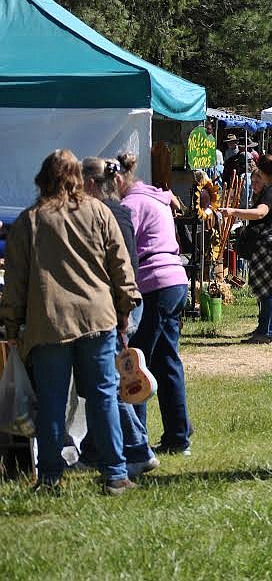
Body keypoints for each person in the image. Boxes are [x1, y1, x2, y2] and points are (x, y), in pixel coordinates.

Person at [0, 150, 141, 494]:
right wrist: (125, 310)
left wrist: (11, 323)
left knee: (51, 402)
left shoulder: (30, 221)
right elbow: (121, 267)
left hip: (49, 324)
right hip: (97, 319)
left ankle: (49, 478)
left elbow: (15, 281)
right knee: (104, 398)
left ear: (42, 179)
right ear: (78, 178)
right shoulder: (99, 212)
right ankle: (115, 475)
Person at [78, 157, 158, 478]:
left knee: (108, 384)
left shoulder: (107, 214)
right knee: (107, 382)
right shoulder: (119, 211)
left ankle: (139, 450)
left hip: (114, 308)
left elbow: (123, 270)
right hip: (119, 305)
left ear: (91, 184)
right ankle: (93, 450)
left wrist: (121, 310)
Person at [117, 151, 194, 455]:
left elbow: (120, 248)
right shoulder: (156, 197)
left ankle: (137, 442)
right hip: (174, 280)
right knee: (165, 360)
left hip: (155, 283)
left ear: (119, 179)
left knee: (137, 362)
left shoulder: (130, 204)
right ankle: (178, 436)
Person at [220, 157, 272, 344]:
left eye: (257, 177)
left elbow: (261, 213)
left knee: (267, 289)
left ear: (264, 174)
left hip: (270, 243)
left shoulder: (270, 192)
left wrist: (233, 211)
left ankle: (266, 332)